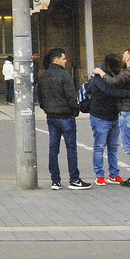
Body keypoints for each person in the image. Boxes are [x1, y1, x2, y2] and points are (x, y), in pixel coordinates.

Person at [93, 48, 130, 187]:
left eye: (125, 54)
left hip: (128, 111)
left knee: (127, 146)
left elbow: (113, 83)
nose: (123, 56)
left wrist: (101, 73)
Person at [36, 47, 90, 190]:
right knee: (71, 148)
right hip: (66, 116)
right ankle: (74, 179)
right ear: (57, 59)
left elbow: (40, 98)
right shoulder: (65, 75)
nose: (66, 61)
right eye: (64, 58)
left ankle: (55, 180)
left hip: (51, 117)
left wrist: (47, 109)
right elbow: (71, 97)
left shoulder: (44, 76)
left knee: (53, 149)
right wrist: (75, 110)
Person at [88, 53, 130, 186]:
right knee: (99, 147)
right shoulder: (99, 76)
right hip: (99, 116)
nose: (119, 70)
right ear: (110, 66)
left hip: (113, 115)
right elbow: (109, 90)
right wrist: (128, 94)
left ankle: (114, 174)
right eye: (117, 68)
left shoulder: (115, 75)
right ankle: (99, 175)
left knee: (113, 147)